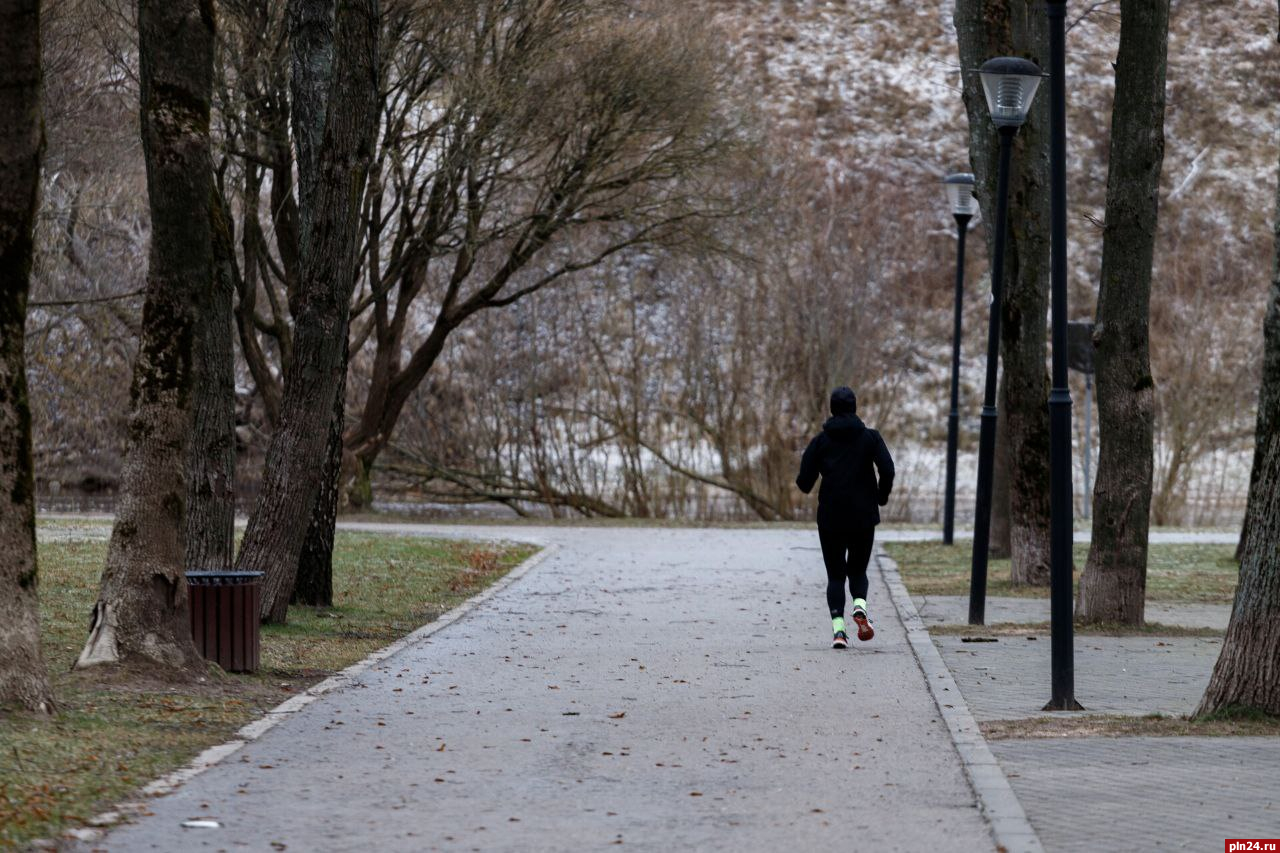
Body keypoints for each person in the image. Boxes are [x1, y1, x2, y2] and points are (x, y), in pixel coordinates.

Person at [796, 387, 895, 649]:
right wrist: (881, 496)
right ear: (855, 407)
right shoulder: (870, 438)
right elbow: (887, 469)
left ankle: (839, 631)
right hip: (863, 515)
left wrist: (817, 474)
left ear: (831, 409)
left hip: (830, 517)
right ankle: (860, 607)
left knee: (836, 575)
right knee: (858, 570)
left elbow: (804, 482)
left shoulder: (821, 442)